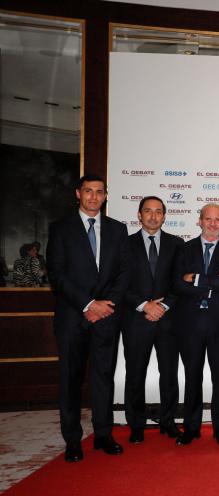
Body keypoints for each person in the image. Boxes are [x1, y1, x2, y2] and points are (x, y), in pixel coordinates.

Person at [47, 174, 129, 463]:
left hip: (107, 316)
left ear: (106, 196)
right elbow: (56, 274)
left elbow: (123, 274)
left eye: (99, 192)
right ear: (78, 194)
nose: (94, 196)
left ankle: (103, 434)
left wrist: (106, 306)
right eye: (88, 191)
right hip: (73, 316)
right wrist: (87, 303)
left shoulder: (118, 230)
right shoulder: (60, 229)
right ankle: (72, 439)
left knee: (103, 377)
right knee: (71, 378)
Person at [173, 203, 219, 446]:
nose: (212, 224)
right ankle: (191, 428)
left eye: (218, 220)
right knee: (192, 377)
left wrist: (196, 279)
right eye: (208, 219)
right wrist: (213, 281)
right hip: (189, 324)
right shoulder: (183, 249)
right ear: (199, 221)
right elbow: (178, 285)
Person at [121, 196, 184, 443]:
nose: (153, 216)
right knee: (135, 373)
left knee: (169, 374)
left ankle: (168, 421)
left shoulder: (176, 244)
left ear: (164, 216)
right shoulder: (124, 245)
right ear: (139, 215)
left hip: (168, 321)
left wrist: (164, 305)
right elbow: (119, 282)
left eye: (158, 211)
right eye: (148, 211)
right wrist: (144, 305)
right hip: (136, 319)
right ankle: (136, 424)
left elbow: (180, 282)